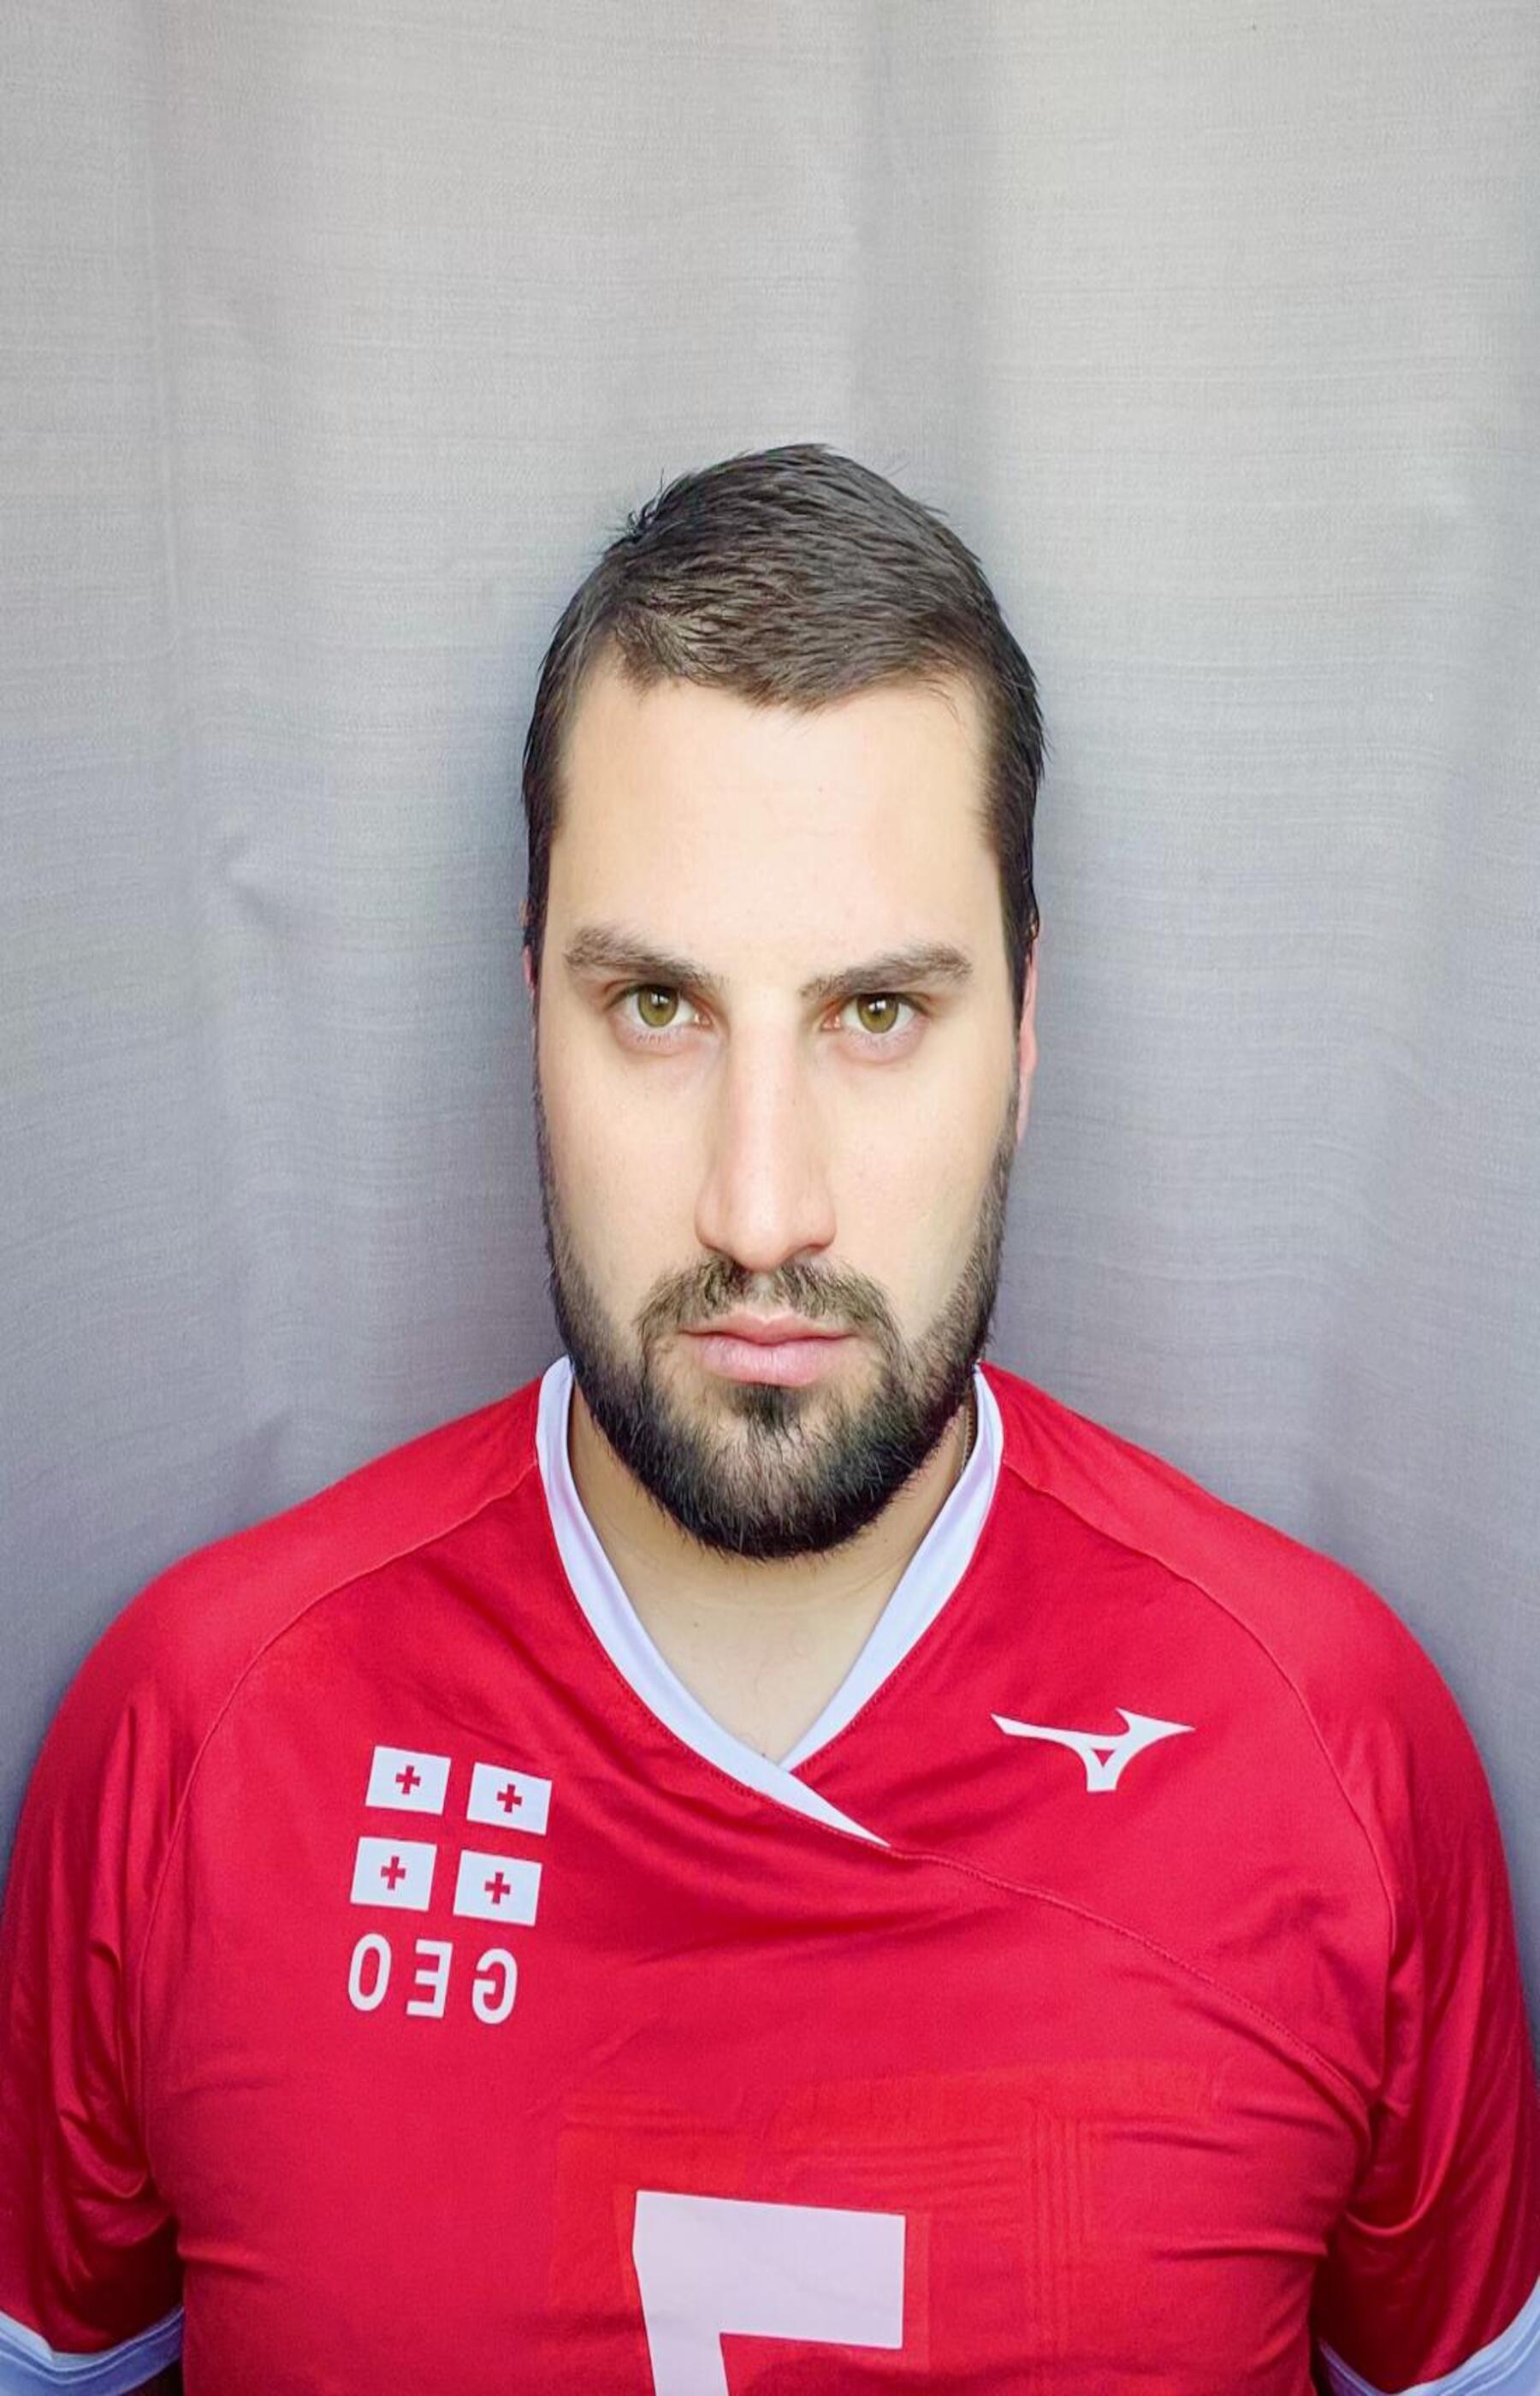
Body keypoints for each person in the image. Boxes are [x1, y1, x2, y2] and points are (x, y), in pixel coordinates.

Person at [1, 442, 1536, 2396]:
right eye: (657, 1007)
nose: (759, 1208)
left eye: (876, 1015)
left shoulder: (1333, 1756)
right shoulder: (195, 1740)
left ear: (1025, 1032)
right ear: (529, 1011)